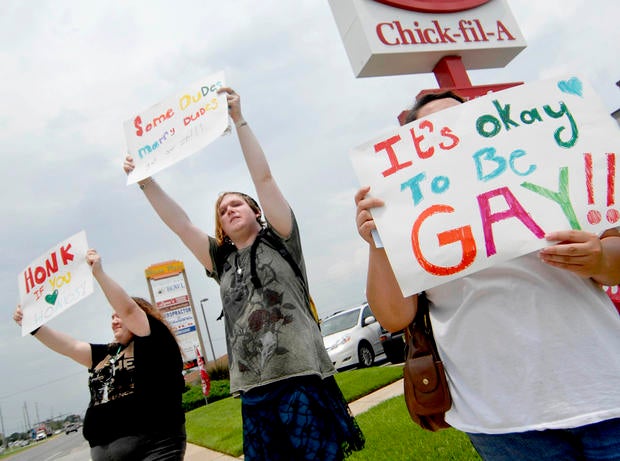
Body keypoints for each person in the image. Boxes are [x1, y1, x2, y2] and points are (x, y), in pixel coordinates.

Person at [355, 91, 620, 460]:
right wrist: (377, 241)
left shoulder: (552, 174)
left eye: (461, 120)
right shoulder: (407, 219)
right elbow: (394, 316)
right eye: (433, 130)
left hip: (607, 392)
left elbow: (615, 260)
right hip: (501, 421)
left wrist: (597, 259)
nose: (450, 135)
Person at [123, 87, 364, 460]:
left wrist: (239, 120)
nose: (230, 210)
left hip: (299, 374)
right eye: (222, 210)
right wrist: (145, 182)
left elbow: (264, 180)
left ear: (256, 212)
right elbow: (181, 224)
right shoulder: (220, 260)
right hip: (253, 388)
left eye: (237, 204)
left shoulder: (281, 238)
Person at [13, 249, 186, 461]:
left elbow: (130, 310)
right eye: (112, 316)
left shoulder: (154, 341)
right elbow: (69, 346)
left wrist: (99, 274)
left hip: (155, 448)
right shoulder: (105, 353)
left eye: (118, 315)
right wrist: (33, 325)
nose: (114, 320)